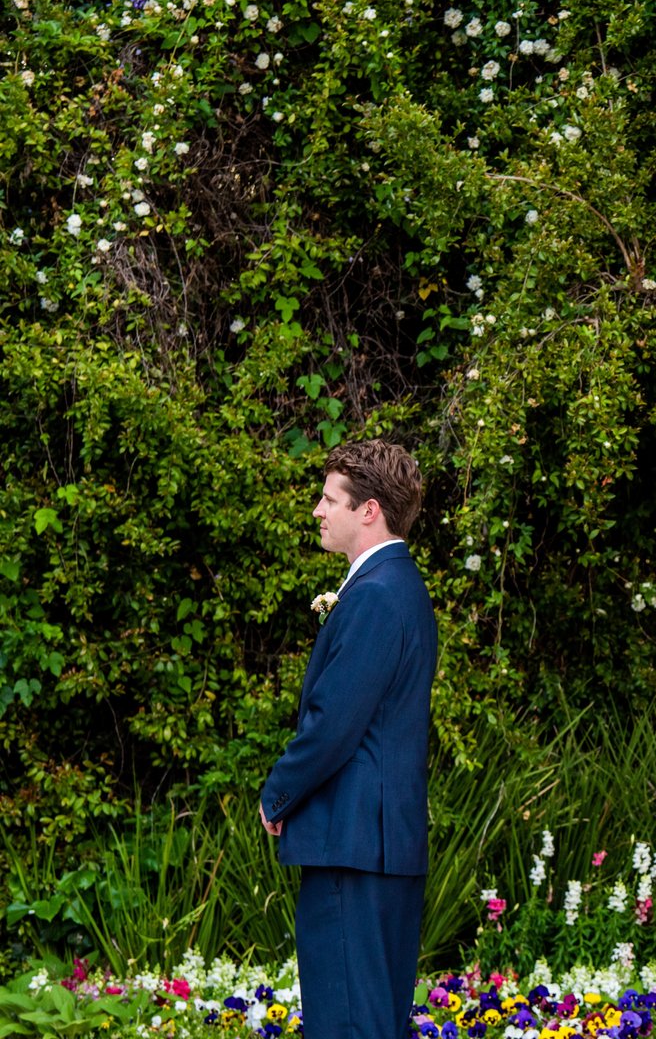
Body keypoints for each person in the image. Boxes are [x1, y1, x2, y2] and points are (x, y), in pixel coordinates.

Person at [260, 439, 438, 1039]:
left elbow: (334, 722)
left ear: (369, 511)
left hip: (353, 843)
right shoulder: (401, 587)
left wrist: (278, 794)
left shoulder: (377, 596)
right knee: (373, 1020)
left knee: (345, 1023)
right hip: (380, 843)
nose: (318, 510)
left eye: (329, 499)